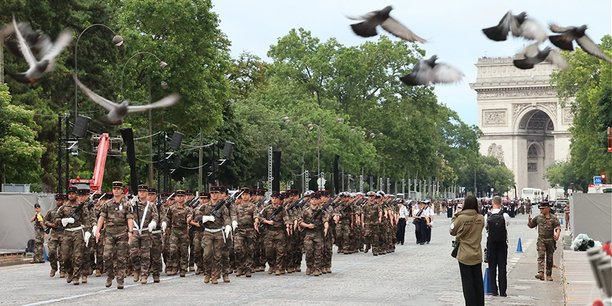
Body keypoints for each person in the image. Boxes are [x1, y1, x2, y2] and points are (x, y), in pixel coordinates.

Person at [94, 181, 134, 289]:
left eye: (118, 189)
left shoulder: (127, 204)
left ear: (122, 190)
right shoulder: (107, 204)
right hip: (109, 233)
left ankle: (120, 279)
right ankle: (110, 274)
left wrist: (130, 232)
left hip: (122, 232)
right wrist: (97, 231)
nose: (116, 190)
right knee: (106, 256)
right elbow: (101, 218)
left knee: (121, 257)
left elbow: (130, 218)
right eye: (114, 189)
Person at [450, 195, 485, 306]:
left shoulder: (460, 218)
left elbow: (452, 231)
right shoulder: (480, 218)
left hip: (464, 254)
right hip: (476, 253)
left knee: (467, 283)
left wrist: (456, 215)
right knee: (478, 282)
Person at [56, 186, 91, 285]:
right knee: (65, 256)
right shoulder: (63, 207)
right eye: (69, 193)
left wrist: (87, 232)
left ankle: (76, 276)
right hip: (67, 232)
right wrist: (64, 220)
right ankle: (70, 272)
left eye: (73, 193)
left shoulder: (81, 206)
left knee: (78, 255)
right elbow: (56, 219)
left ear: (76, 194)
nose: (71, 195)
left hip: (78, 231)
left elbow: (86, 219)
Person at [129, 184, 159, 284]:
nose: (142, 193)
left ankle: (144, 275)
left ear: (146, 193)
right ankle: (137, 269)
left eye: (144, 191)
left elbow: (155, 216)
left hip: (146, 231)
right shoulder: (132, 204)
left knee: (145, 255)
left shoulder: (151, 205)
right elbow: (127, 215)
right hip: (135, 231)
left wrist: (153, 223)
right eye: (140, 191)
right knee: (133, 253)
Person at [528, 200, 561, 281]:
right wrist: (529, 221)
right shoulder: (538, 218)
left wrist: (557, 234)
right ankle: (541, 273)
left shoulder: (553, 218)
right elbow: (531, 225)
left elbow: (558, 227)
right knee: (541, 256)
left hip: (550, 240)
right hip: (541, 240)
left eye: (542, 208)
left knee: (549, 258)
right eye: (540, 209)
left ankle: (549, 275)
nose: (541, 210)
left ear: (547, 208)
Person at [485, 196, 510, 297]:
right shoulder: (505, 215)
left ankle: (493, 290)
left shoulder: (487, 215)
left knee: (492, 267)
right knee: (502, 267)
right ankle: (503, 291)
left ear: (492, 203)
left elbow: (486, 227)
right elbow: (507, 225)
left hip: (491, 243)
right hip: (502, 243)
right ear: (501, 203)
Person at [162, 190, 192, 277]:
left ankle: (183, 268)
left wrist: (188, 220)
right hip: (174, 231)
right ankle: (175, 266)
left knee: (184, 250)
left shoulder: (188, 209)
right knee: (173, 250)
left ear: (185, 197)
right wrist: (165, 225)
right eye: (178, 196)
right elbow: (167, 218)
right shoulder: (171, 208)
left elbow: (189, 216)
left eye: (182, 196)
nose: (180, 198)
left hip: (183, 231)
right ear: (175, 198)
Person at [45, 194, 65, 277]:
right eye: (57, 200)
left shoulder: (66, 211)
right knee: (51, 252)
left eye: (60, 200)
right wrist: (51, 225)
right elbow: (45, 221)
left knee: (63, 253)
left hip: (64, 234)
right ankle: (54, 267)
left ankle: (63, 270)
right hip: (54, 234)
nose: (59, 201)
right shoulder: (51, 211)